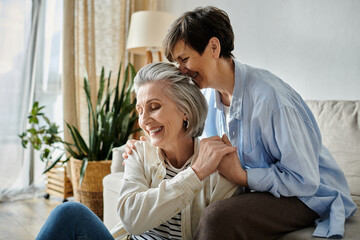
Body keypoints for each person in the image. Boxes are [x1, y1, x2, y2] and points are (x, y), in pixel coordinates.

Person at [124, 6, 357, 239]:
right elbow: (188, 138)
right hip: (262, 192)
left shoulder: (271, 99)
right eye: (177, 63)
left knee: (218, 217)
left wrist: (243, 177)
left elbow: (304, 181)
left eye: (184, 59)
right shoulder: (206, 96)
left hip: (307, 195)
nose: (182, 71)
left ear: (214, 48)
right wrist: (145, 148)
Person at [36, 62, 240, 240]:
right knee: (70, 212)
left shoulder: (217, 166)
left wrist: (201, 172)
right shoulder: (140, 153)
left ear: (185, 110)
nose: (143, 121)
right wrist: (194, 175)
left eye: (154, 107)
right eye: (140, 110)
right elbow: (131, 219)